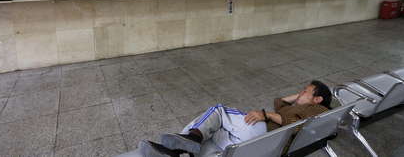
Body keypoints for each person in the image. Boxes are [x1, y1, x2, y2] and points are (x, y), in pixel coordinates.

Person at [139, 80, 332, 157]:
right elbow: (279, 101)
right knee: (213, 132)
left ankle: (190, 138)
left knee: (219, 111)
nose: (299, 93)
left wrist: (266, 115)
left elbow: (299, 126)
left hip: (265, 136)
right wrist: (298, 98)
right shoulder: (299, 107)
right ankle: (177, 152)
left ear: (318, 99)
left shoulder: (318, 110)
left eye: (304, 91)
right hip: (259, 142)